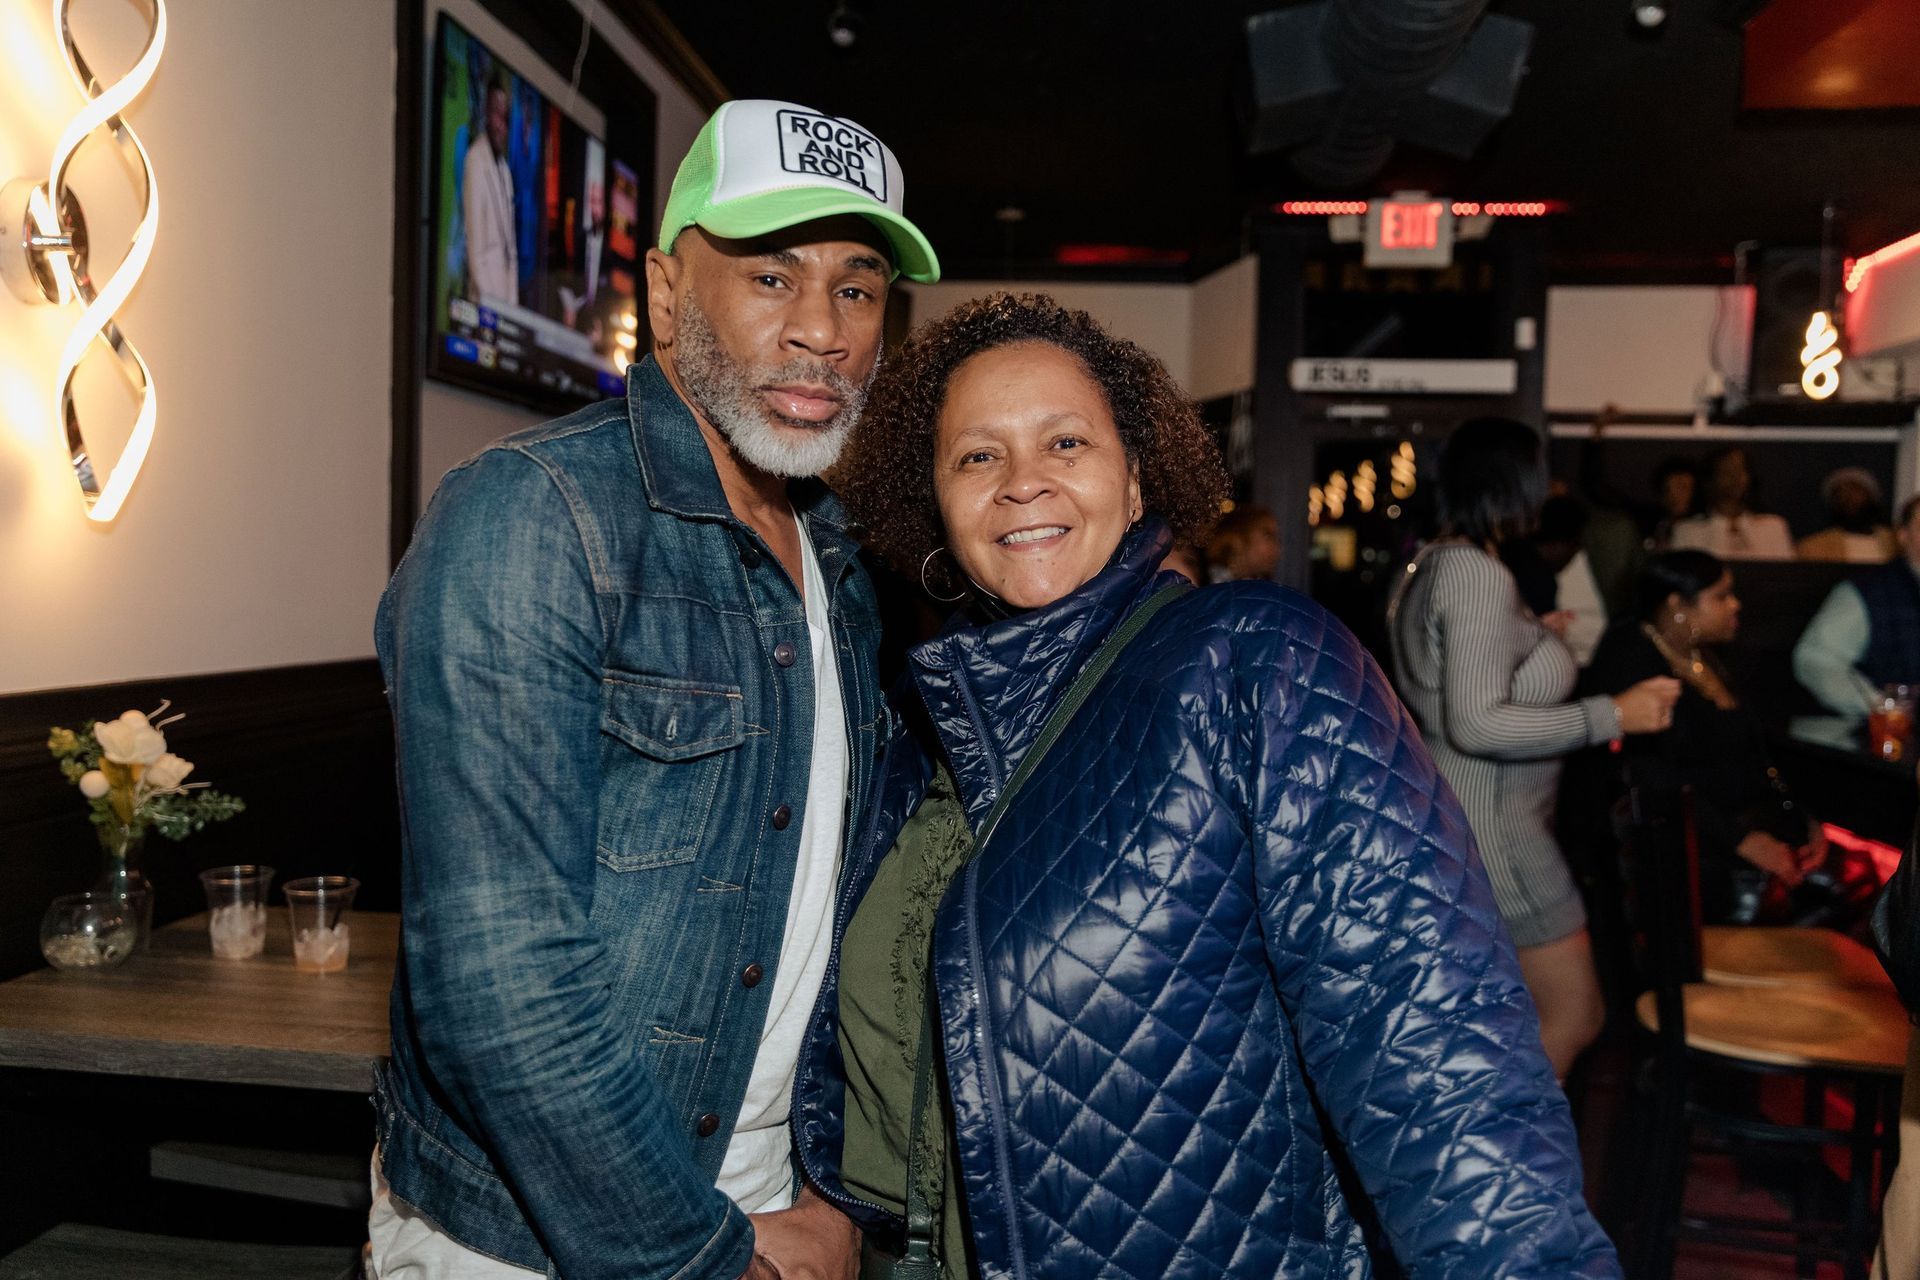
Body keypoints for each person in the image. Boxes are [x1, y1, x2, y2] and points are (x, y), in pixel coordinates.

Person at [797, 295, 1621, 1278]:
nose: (1023, 482)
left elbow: (1437, 1060)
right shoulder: (917, 733)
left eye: (1065, 441)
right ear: (933, 500)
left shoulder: (1252, 659)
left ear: (1138, 477)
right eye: (978, 455)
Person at [370, 99, 939, 1280]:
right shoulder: (529, 515)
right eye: (772, 275)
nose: (823, 330)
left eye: (858, 285)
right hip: (540, 1233)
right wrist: (702, 1255)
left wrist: (837, 1198)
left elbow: (837, 934)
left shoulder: (839, 555)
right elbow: (498, 976)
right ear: (669, 295)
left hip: (779, 1205)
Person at [1387, 418, 1679, 1078]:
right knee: (1575, 1014)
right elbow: (1478, 725)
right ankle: (1507, 1173)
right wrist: (1613, 714)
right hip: (1500, 834)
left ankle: (1483, 1168)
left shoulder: (1428, 559)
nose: (1548, 488)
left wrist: (1531, 636)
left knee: (1492, 1026)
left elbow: (1451, 679)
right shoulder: (1475, 574)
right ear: (1510, 481)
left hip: (1459, 817)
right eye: (1540, 473)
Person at [1585, 551, 1829, 924]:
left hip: (1733, 839)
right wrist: (1741, 841)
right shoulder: (1631, 660)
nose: (1736, 604)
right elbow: (1650, 774)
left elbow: (1751, 756)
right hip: (1684, 859)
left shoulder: (1699, 655)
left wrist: (1798, 816)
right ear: (1677, 606)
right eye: (1721, 596)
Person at [1794, 495, 1920, 724]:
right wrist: (1881, 706)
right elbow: (1817, 660)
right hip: (1890, 742)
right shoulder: (1868, 592)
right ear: (1903, 536)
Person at [1669, 445, 1794, 560]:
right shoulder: (1688, 530)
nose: (1736, 478)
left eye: (1741, 470)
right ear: (1710, 479)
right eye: (1727, 471)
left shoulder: (1773, 527)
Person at [463, 76, 519, 307]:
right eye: (496, 114)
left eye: (505, 117)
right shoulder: (475, 160)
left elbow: (510, 247)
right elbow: (475, 247)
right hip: (484, 302)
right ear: (486, 111)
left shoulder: (504, 170)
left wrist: (511, 308)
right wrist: (490, 305)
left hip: (506, 302)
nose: (501, 125)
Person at [1798, 466, 1898, 563]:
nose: (1848, 498)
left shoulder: (1897, 543)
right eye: (1840, 493)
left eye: (1855, 491)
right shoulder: (1812, 547)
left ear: (1872, 497)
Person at [1203, 502, 1279, 581]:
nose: (1276, 549)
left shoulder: (1260, 587)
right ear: (1238, 539)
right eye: (1268, 536)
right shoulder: (1211, 585)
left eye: (1277, 539)